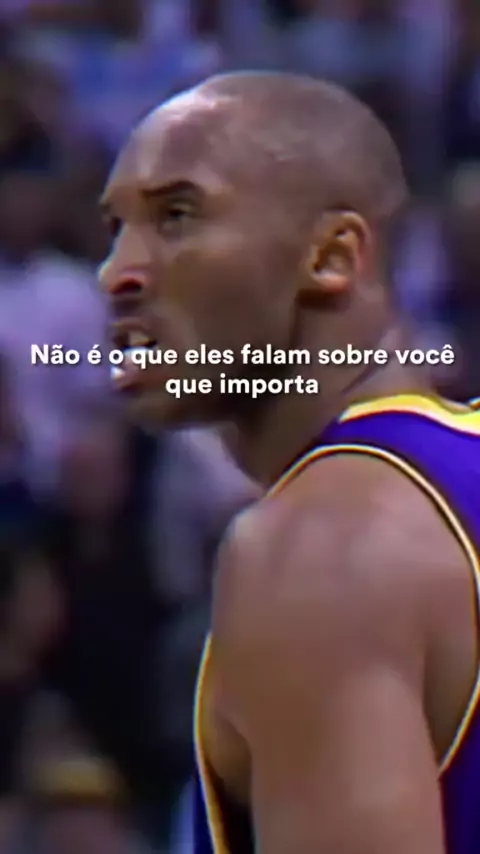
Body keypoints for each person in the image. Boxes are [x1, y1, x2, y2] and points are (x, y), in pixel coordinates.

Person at [98, 70, 480, 853]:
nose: (117, 273)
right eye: (114, 228)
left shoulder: (318, 549)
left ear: (332, 256)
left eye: (176, 215)